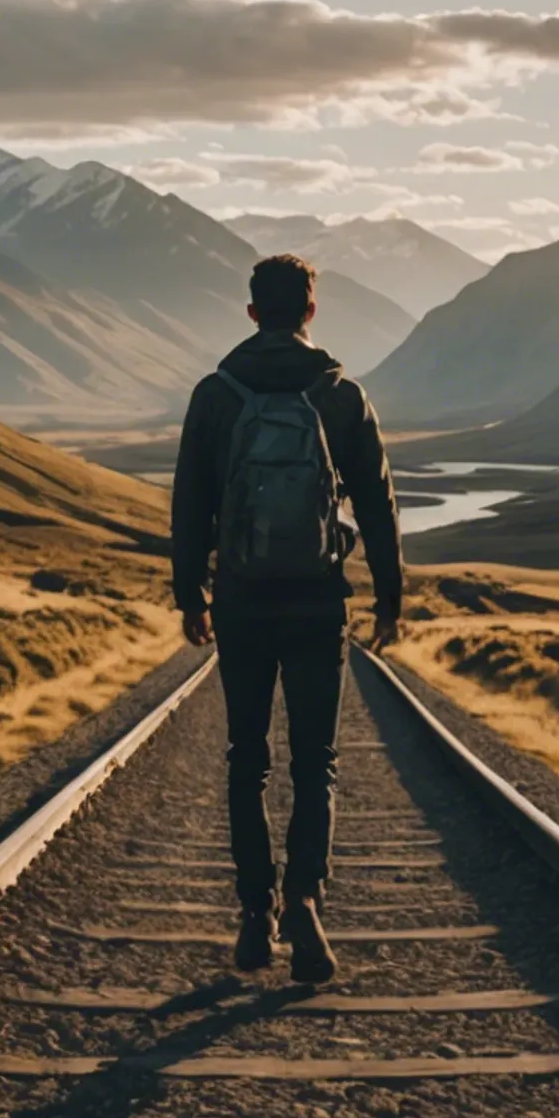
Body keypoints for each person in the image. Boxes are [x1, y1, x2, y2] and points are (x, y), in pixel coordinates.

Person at [168, 254, 403, 984]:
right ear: (309, 313)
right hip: (316, 602)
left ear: (250, 313)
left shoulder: (215, 394)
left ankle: (251, 913)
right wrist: (390, 595)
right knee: (315, 761)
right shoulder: (341, 395)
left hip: (241, 601)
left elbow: (190, 504)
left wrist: (192, 595)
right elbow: (377, 503)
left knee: (246, 755)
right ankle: (304, 899)